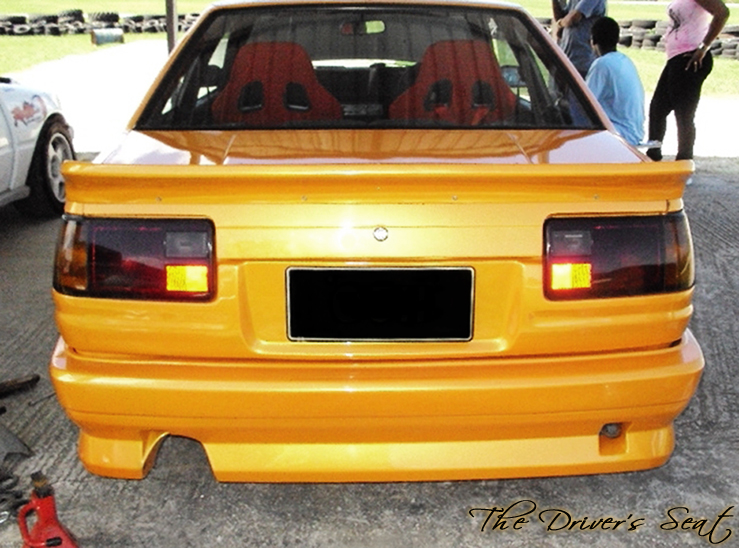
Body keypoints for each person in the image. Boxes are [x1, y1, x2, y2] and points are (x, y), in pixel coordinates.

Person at [646, 0, 730, 161]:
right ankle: (653, 154)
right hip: (676, 57)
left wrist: (703, 47)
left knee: (683, 112)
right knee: (658, 108)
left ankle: (684, 159)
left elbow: (722, 13)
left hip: (690, 57)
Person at [586, 17, 645, 146]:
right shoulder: (625, 60)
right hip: (634, 132)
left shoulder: (601, 64)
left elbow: (585, 103)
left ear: (593, 40)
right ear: (617, 39)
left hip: (619, 134)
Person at [551, 0, 607, 77]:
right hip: (566, 58)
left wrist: (560, 24)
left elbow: (574, 18)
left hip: (584, 61)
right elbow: (561, 16)